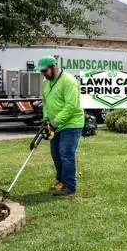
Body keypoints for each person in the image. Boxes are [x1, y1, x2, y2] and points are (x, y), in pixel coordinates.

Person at [38, 55, 84, 196]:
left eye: (45, 71)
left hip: (71, 123)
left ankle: (69, 186)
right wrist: (46, 119)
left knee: (66, 153)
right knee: (56, 155)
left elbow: (71, 106)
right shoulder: (46, 82)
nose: (43, 74)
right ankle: (61, 181)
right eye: (41, 72)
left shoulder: (68, 81)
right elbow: (45, 102)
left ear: (53, 67)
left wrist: (55, 121)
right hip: (54, 124)